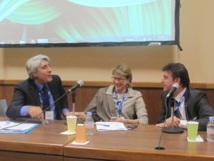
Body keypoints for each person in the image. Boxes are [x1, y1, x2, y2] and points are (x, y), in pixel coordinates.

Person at [76, 64, 148, 124]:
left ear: (128, 80)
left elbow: (144, 121)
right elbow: (89, 114)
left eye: (120, 79)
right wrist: (80, 115)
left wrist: (126, 121)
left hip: (127, 132)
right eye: (114, 78)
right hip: (104, 132)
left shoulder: (136, 95)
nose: (116, 82)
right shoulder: (102, 93)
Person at [6, 54, 72, 121]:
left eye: (49, 66)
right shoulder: (23, 87)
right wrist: (28, 109)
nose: (50, 70)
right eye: (44, 67)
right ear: (35, 73)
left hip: (56, 124)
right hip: (38, 127)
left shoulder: (55, 81)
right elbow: (11, 110)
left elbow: (63, 96)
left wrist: (65, 111)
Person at [156, 62, 214, 131]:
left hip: (193, 136)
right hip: (173, 138)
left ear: (177, 81)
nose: (161, 81)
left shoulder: (197, 96)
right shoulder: (166, 95)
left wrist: (181, 123)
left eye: (165, 78)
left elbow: (209, 120)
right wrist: (167, 122)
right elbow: (161, 122)